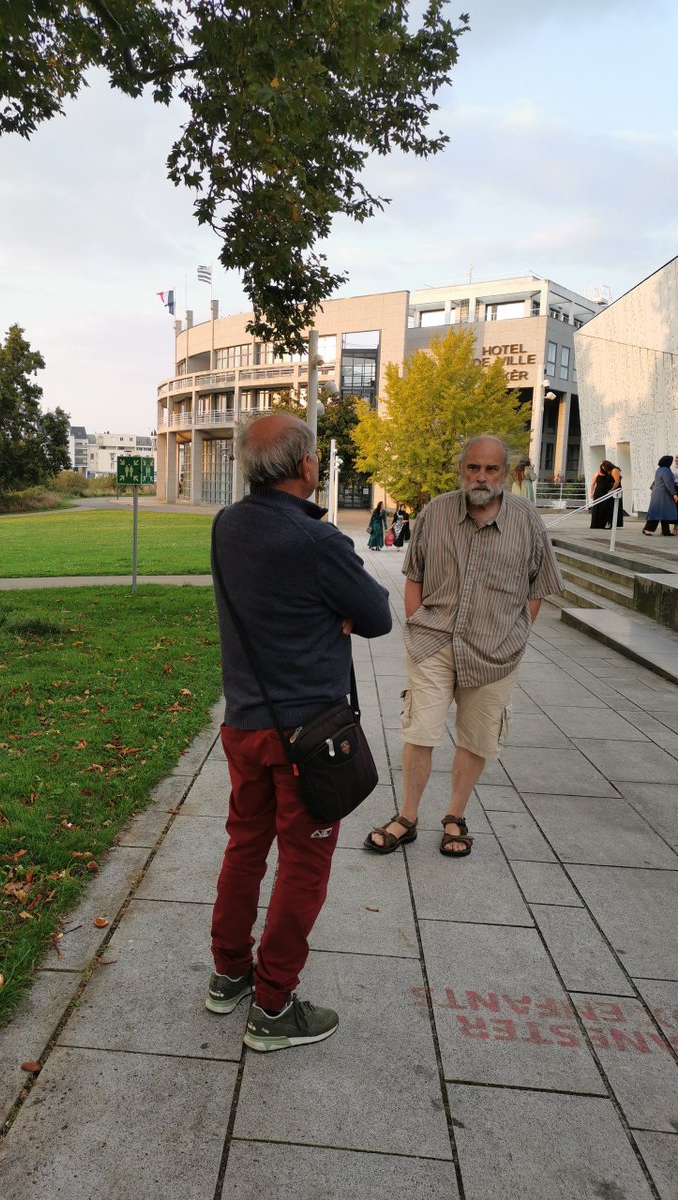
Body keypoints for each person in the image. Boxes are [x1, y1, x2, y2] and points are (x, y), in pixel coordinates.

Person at [209, 412, 393, 1051]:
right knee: (304, 865)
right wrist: (335, 612)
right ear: (307, 466)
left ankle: (229, 974)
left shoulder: (226, 525)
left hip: (244, 723)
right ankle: (273, 1006)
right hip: (309, 737)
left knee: (244, 847)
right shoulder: (318, 541)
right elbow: (378, 616)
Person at [363, 434, 562, 859]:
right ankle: (407, 817)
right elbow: (414, 575)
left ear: (505, 474)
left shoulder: (527, 520)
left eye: (491, 469)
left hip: (495, 651)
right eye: (473, 467)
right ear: (461, 470)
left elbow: (539, 586)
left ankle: (455, 816)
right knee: (419, 731)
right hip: (434, 641)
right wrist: (417, 624)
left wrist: (516, 634)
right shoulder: (436, 512)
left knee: (476, 738)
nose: (481, 477)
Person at [643, 455, 678, 536]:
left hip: (658, 493)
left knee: (663, 512)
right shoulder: (666, 471)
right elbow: (668, 483)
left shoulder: (659, 469)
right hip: (663, 494)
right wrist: (674, 493)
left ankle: (666, 531)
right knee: (657, 512)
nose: (671, 463)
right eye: (670, 461)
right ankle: (647, 529)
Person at [589, 460, 623, 529]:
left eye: (603, 466)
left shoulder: (615, 470)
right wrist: (591, 493)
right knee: (602, 507)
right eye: (601, 466)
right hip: (607, 491)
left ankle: (610, 523)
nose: (603, 468)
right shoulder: (606, 472)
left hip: (614, 491)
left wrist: (612, 490)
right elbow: (593, 484)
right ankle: (601, 523)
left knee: (611, 507)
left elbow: (617, 482)